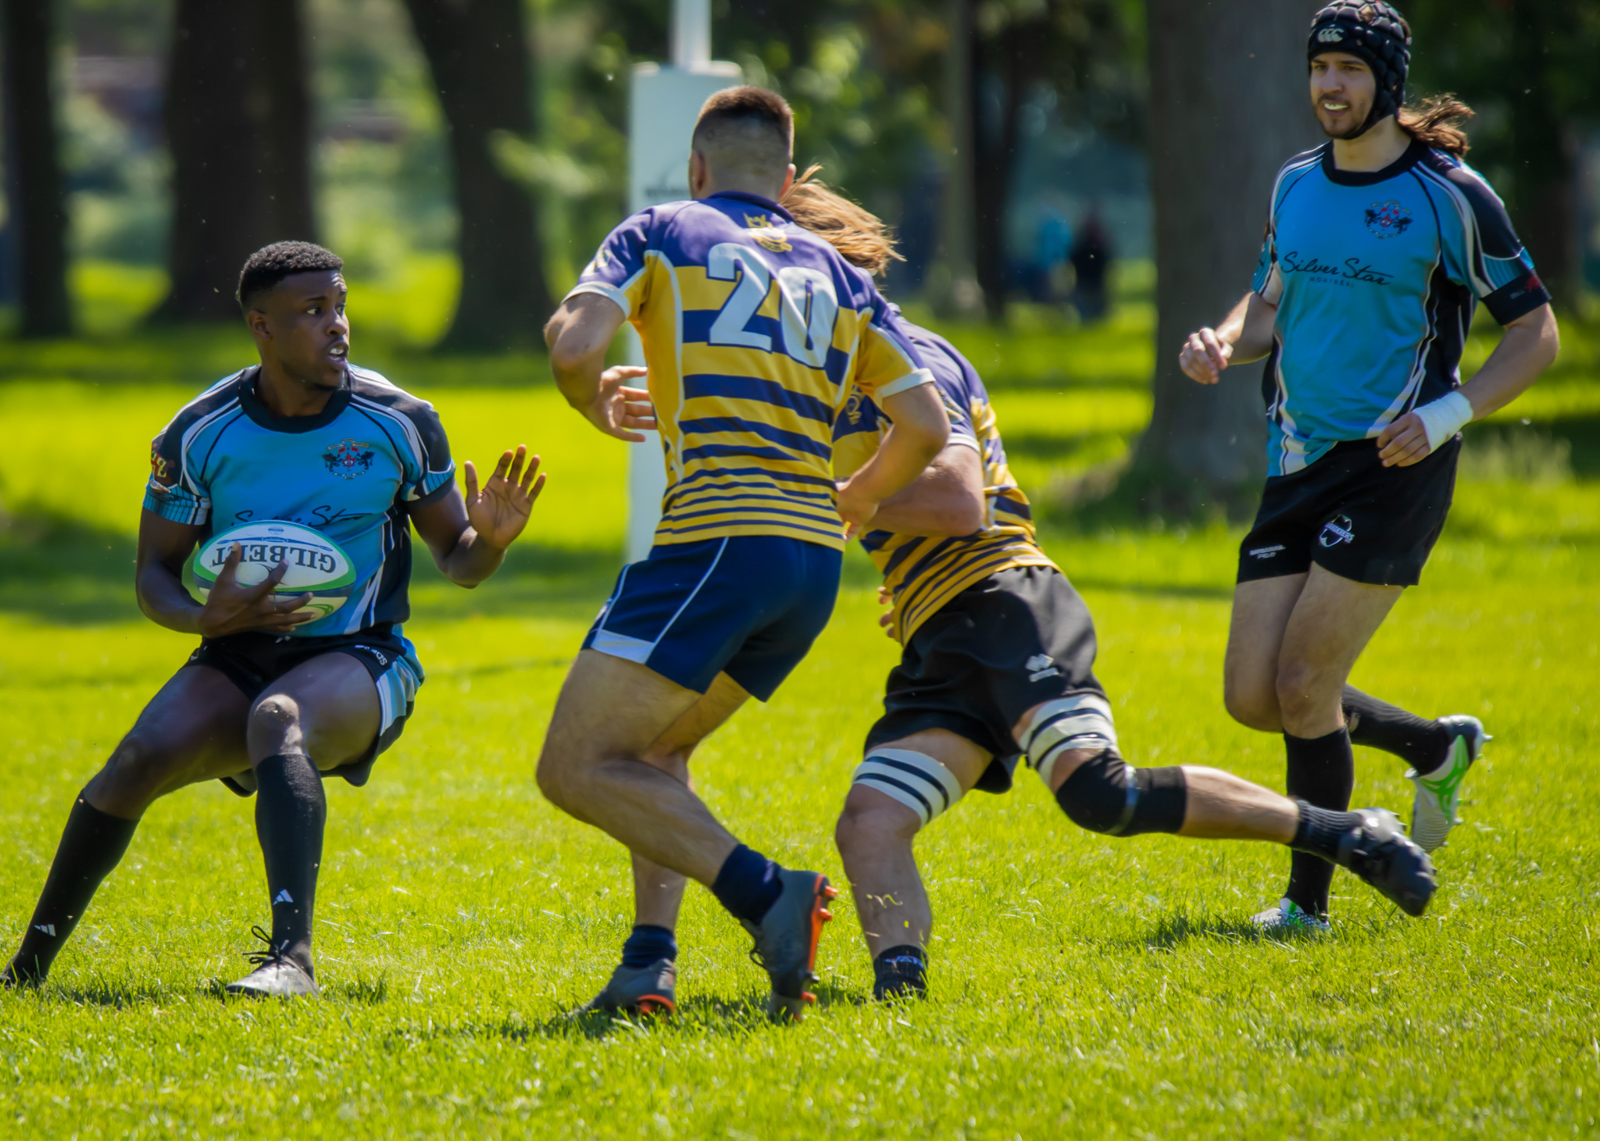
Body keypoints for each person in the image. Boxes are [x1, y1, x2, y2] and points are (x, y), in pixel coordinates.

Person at [616, 171, 1442, 1005]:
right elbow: (770, 425)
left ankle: (1343, 832)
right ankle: (900, 998)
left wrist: (821, 501)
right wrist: (662, 394)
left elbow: (955, 497)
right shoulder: (825, 367)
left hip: (1009, 602)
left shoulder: (907, 356)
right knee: (869, 822)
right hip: (939, 635)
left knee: (1099, 792)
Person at [1, 241, 544, 996]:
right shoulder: (200, 432)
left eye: (341, 305)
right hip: (236, 650)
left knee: (278, 717)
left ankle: (293, 962)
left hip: (364, 657)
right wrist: (202, 617)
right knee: (133, 762)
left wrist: (492, 539)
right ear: (262, 327)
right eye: (313, 311)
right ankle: (26, 969)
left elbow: (460, 560)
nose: (338, 326)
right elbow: (154, 575)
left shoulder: (401, 420)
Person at [538, 88, 949, 1020]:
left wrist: (587, 397)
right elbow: (923, 422)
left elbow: (577, 348)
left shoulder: (661, 229)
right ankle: (649, 965)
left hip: (718, 537)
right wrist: (860, 496)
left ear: (697, 169)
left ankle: (769, 894)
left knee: (574, 765)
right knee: (655, 748)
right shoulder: (844, 274)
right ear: (791, 179)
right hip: (809, 563)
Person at [1178, 2, 1560, 930]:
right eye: (1320, 70)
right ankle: (1433, 744)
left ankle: (1306, 907)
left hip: (1396, 463)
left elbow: (1536, 332)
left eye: (1350, 70)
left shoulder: (1451, 194)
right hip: (1296, 459)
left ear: (1386, 83)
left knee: (1305, 684)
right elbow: (1270, 301)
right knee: (1251, 695)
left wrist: (1447, 414)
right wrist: (1223, 340)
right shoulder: (1295, 184)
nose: (1330, 87)